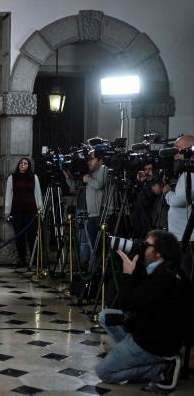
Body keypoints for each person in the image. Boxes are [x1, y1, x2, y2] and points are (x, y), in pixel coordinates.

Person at [96, 230, 192, 390]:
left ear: (159, 253)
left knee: (104, 372)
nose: (142, 247)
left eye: (146, 245)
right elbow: (139, 299)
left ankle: (162, 367)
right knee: (105, 316)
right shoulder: (169, 271)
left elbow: (127, 303)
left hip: (153, 344)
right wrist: (135, 268)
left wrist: (127, 273)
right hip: (155, 331)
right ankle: (139, 357)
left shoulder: (162, 278)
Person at [65, 149, 110, 269]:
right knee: (84, 241)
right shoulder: (87, 172)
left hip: (98, 213)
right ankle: (85, 268)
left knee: (94, 245)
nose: (88, 161)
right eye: (88, 159)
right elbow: (75, 186)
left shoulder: (103, 169)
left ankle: (94, 270)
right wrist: (68, 176)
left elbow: (99, 184)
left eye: (92, 158)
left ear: (100, 160)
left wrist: (88, 179)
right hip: (86, 211)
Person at [4, 157, 43, 267]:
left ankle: (34, 260)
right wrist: (7, 210)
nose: (23, 164)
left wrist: (40, 208)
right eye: (21, 163)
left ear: (28, 166)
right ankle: (22, 260)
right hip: (17, 211)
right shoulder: (12, 177)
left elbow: (38, 193)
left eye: (25, 163)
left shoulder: (34, 177)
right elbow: (8, 195)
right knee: (19, 237)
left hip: (31, 211)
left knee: (31, 237)